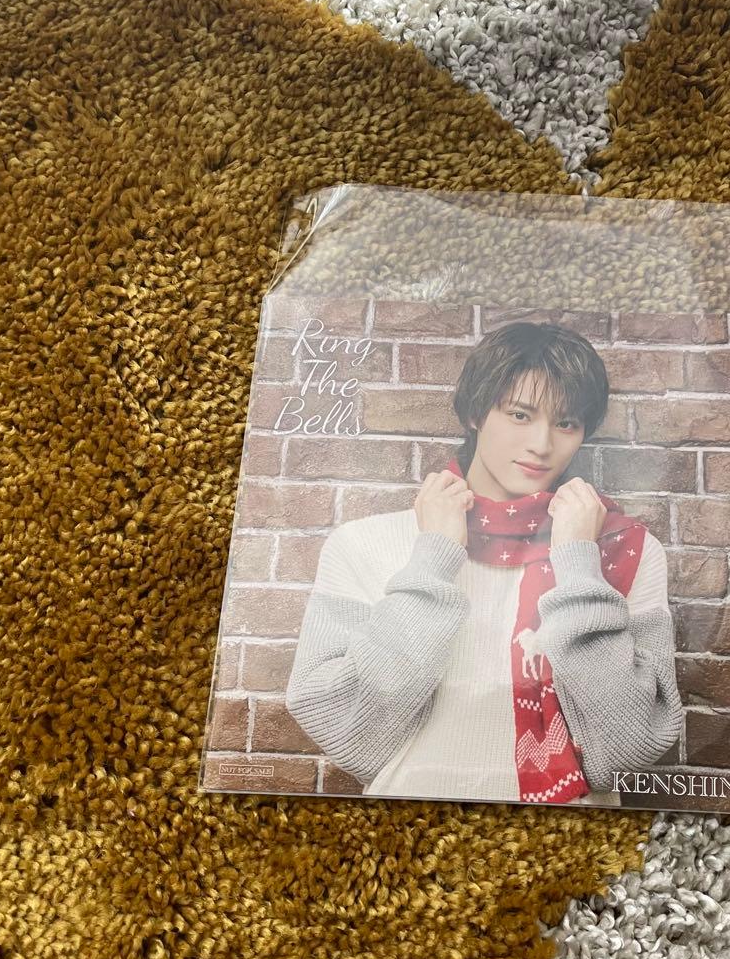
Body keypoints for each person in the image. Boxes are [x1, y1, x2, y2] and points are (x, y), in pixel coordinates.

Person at [284, 321, 683, 807]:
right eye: (519, 415)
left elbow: (629, 749)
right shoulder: (365, 543)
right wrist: (433, 558)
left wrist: (579, 564)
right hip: (412, 829)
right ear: (476, 412)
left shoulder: (625, 550)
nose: (542, 444)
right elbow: (346, 730)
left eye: (566, 423)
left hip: (571, 835)